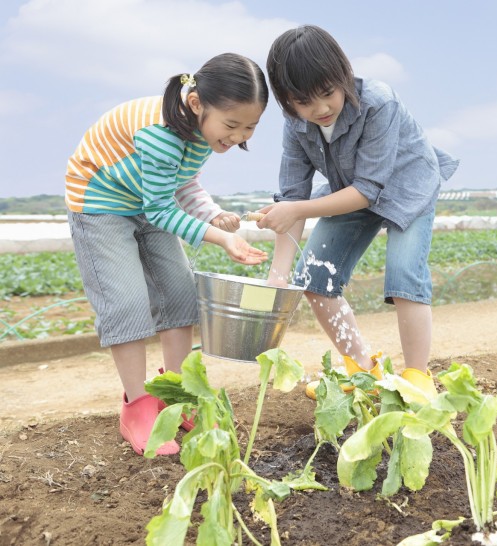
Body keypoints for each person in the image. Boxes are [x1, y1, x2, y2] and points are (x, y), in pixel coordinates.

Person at [65, 53, 270, 455]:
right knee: (127, 303)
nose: (239, 136)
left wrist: (213, 214)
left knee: (178, 294)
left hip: (148, 201)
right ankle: (138, 407)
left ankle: (174, 395)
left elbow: (182, 183)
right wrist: (219, 238)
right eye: (232, 125)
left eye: (250, 127)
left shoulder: (204, 132)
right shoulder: (161, 132)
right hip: (101, 202)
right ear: (196, 104)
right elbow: (161, 207)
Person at [257, 25, 458, 399]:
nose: (319, 109)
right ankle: (363, 371)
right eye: (303, 101)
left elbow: (367, 189)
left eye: (328, 93)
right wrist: (278, 277)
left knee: (403, 277)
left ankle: (417, 378)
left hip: (406, 187)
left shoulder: (379, 102)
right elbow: (292, 198)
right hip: (346, 191)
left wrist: (298, 207)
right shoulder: (296, 125)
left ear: (344, 75)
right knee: (313, 279)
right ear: (286, 101)